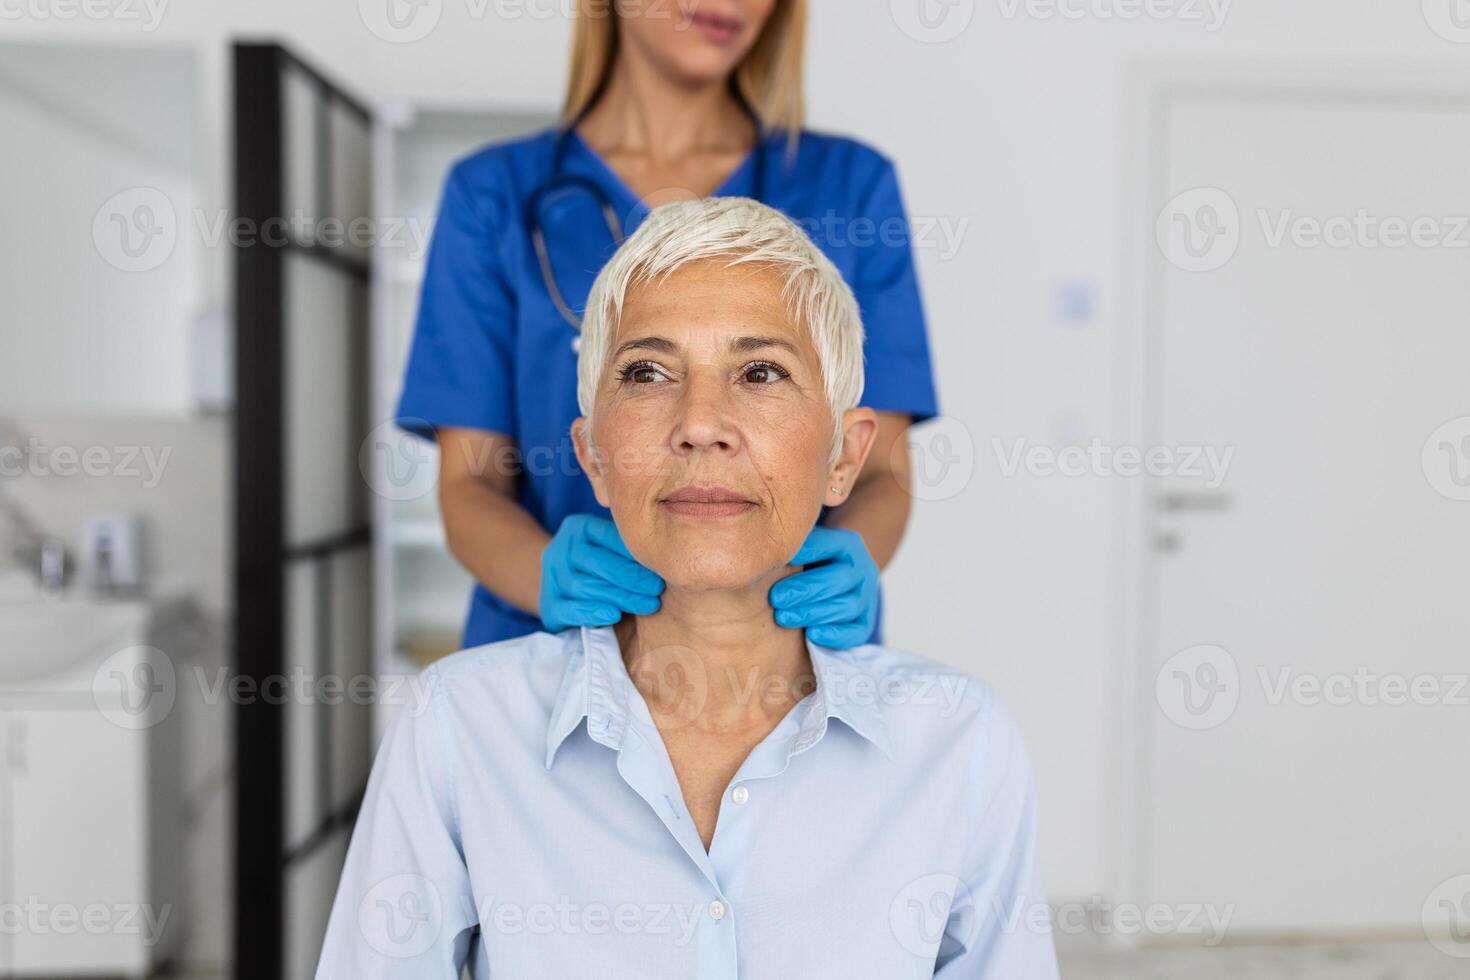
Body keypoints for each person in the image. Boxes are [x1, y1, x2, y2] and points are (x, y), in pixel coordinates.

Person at [319, 199, 1054, 978]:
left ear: (846, 455)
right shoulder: (458, 732)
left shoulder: (959, 744)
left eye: (761, 372)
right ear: (593, 454)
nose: (702, 422)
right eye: (647, 372)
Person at [397, 0, 938, 650]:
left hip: (784, 646)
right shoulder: (493, 194)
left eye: (760, 371)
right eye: (645, 370)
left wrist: (851, 560)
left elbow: (878, 466)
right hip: (552, 650)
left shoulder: (849, 187)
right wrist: (542, 574)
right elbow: (470, 481)